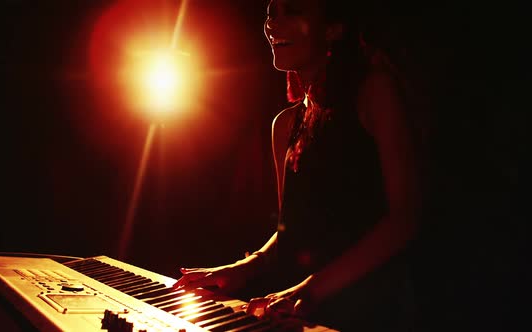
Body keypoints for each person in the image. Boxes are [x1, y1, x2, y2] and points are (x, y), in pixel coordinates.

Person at [173, 0, 426, 331]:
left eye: (292, 11)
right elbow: (288, 234)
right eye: (270, 13)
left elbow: (405, 217)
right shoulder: (284, 125)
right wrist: (242, 268)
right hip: (300, 314)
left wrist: (311, 288)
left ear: (333, 29)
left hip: (370, 313)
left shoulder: (374, 91)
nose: (273, 24)